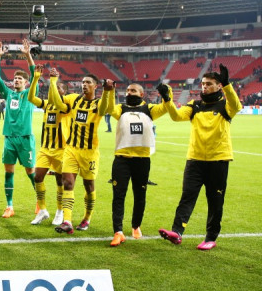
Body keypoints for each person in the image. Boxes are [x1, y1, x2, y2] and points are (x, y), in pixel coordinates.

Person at [159, 65, 241, 250]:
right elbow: (176, 116)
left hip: (218, 160)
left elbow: (236, 106)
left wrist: (228, 85)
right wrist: (167, 99)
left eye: (209, 84)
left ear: (218, 86)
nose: (205, 87)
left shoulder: (225, 106)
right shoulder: (195, 105)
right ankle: (177, 232)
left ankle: (211, 238)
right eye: (203, 84)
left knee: (215, 201)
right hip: (195, 160)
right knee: (187, 197)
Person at [106, 82, 172, 246]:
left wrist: (166, 93)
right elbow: (109, 108)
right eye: (128, 90)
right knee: (118, 196)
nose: (129, 92)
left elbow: (166, 107)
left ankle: (136, 226)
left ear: (142, 94)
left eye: (133, 90)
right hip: (121, 159)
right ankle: (118, 232)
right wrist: (110, 91)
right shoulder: (121, 109)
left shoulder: (149, 109)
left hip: (142, 159)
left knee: (140, 195)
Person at [47, 71, 112, 234]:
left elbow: (104, 110)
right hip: (71, 149)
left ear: (95, 86)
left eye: (88, 82)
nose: (84, 84)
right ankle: (67, 221)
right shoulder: (73, 99)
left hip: (89, 152)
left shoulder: (98, 103)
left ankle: (87, 218)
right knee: (68, 183)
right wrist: (53, 81)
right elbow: (57, 103)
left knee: (89, 186)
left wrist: (107, 91)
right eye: (83, 82)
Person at [0, 39, 37, 218]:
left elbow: (34, 75)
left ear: (26, 82)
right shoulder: (9, 94)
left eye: (20, 78)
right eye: (15, 78)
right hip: (9, 138)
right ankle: (9, 206)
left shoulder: (30, 94)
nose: (16, 80)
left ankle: (40, 202)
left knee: (30, 172)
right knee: (8, 172)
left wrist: (28, 56)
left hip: (25, 138)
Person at [27, 65, 69, 226]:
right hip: (45, 149)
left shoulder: (65, 106)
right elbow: (31, 98)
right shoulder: (47, 105)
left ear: (64, 92)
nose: (54, 89)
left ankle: (60, 210)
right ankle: (43, 210)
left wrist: (53, 81)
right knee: (37, 177)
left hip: (61, 150)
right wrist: (36, 78)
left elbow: (58, 103)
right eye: (53, 88)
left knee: (60, 181)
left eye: (59, 88)